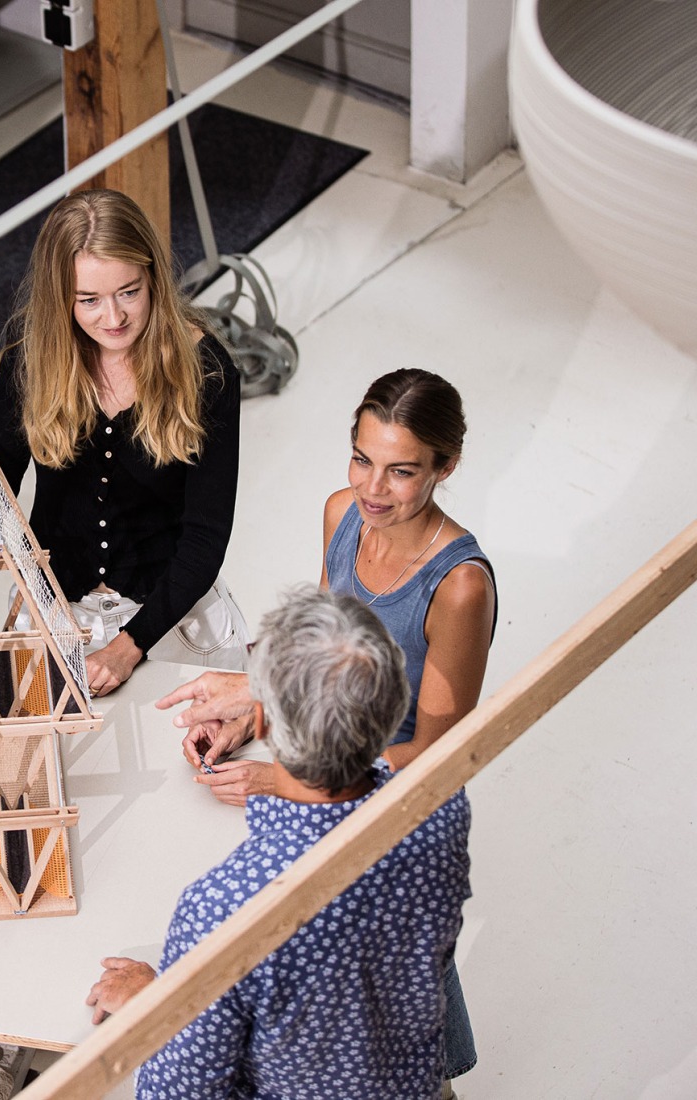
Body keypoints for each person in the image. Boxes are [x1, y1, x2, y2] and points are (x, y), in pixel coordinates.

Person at [156, 367, 495, 1084]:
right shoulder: (343, 514)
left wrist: (286, 777)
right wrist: (257, 708)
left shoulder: (459, 585)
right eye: (362, 459)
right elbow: (321, 650)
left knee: (372, 980)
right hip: (325, 767)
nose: (373, 488)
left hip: (384, 806)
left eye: (402, 471)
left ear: (446, 467)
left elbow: (440, 759)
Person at [87, 585, 472, 1098]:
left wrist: (154, 1005)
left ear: (263, 721)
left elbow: (179, 1094)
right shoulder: (441, 814)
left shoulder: (223, 909)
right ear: (393, 708)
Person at [0, 189, 246, 696]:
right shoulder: (30, 363)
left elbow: (205, 538)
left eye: (129, 291)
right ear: (60, 297)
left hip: (172, 619)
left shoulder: (206, 372)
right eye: (89, 300)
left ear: (153, 277)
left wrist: (128, 647)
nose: (114, 317)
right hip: (55, 608)